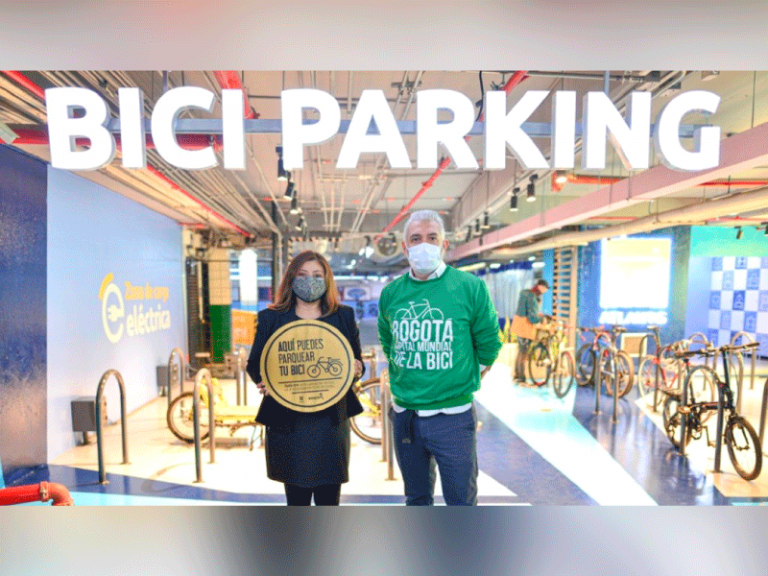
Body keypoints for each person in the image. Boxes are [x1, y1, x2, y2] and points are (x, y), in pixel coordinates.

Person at [378, 209, 502, 506]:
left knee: (460, 501)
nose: (424, 244)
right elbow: (388, 340)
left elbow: (489, 342)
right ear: (405, 247)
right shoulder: (391, 293)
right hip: (406, 415)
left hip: (453, 418)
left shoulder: (470, 287)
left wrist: (468, 375)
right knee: (417, 499)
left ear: (444, 245)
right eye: (416, 239)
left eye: (432, 238)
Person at [246, 250, 365, 506]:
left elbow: (357, 361)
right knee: (296, 500)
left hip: (331, 423)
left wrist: (356, 369)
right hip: (289, 423)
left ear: (327, 279)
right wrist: (265, 381)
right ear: (291, 279)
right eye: (302, 274)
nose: (310, 280)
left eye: (317, 275)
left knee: (329, 501)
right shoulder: (271, 318)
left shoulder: (343, 316)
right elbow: (255, 364)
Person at [511, 279, 550, 383]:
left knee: (520, 351)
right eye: (545, 289)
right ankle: (521, 378)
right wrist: (542, 319)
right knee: (523, 353)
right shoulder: (532, 296)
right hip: (525, 327)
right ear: (541, 287)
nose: (544, 292)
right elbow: (532, 317)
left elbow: (526, 310)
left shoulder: (526, 293)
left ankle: (517, 375)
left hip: (518, 324)